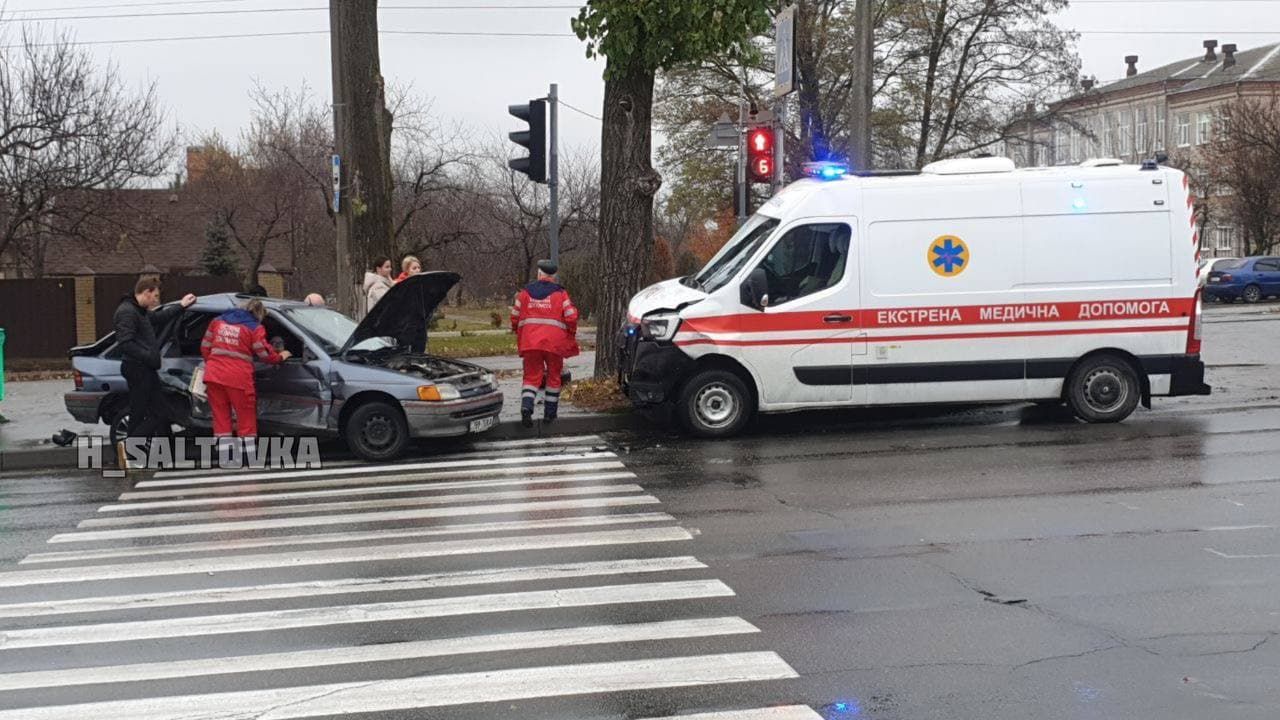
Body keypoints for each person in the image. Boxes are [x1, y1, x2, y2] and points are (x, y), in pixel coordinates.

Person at [113, 278, 196, 467]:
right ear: (146, 292)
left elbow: (159, 318)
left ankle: (139, 455)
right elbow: (125, 343)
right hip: (138, 368)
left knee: (139, 412)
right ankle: (130, 448)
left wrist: (181, 306)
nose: (156, 301)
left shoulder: (138, 311)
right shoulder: (127, 312)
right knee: (158, 412)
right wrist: (149, 356)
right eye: (155, 296)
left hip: (143, 368)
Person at [200, 299, 291, 454]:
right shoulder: (254, 328)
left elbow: (205, 347)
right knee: (245, 415)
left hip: (214, 375)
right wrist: (281, 356)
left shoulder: (217, 322)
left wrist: (214, 364)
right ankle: (247, 453)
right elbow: (264, 354)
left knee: (221, 416)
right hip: (238, 378)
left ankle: (225, 453)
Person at [510, 260, 579, 427]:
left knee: (531, 377)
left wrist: (519, 331)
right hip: (554, 344)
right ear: (553, 277)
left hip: (530, 342)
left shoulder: (524, 293)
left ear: (539, 274)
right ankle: (550, 414)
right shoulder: (560, 294)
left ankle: (526, 408)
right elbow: (571, 316)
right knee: (554, 377)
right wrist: (570, 333)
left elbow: (514, 316)